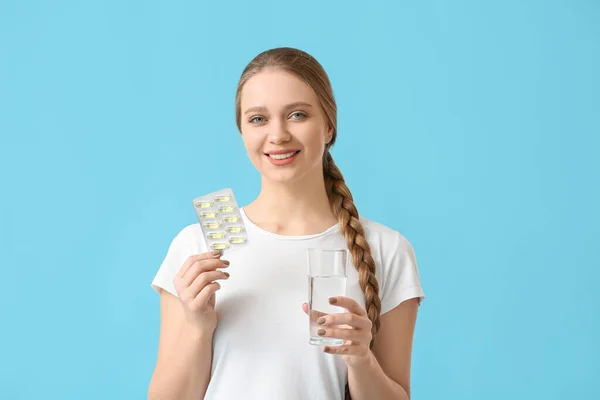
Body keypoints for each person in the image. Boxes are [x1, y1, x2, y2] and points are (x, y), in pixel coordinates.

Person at [148, 47, 425, 400]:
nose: (277, 135)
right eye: (258, 119)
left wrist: (361, 360)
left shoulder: (387, 249)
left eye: (297, 114)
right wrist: (198, 328)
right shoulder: (196, 247)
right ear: (242, 132)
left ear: (328, 126)